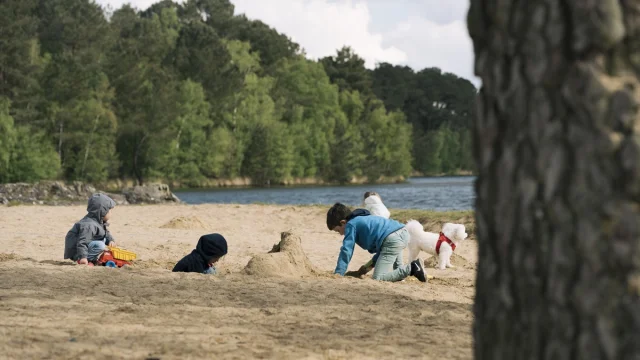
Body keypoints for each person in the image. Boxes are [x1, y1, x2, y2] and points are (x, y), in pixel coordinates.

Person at [326, 203, 426, 282]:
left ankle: (413, 267)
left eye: (338, 230)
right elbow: (382, 251)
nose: (340, 234)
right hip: (401, 232)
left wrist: (339, 273)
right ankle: (407, 272)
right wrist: (365, 269)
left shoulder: (350, 225)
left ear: (343, 222)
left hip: (392, 239)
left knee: (378, 277)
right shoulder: (361, 218)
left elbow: (347, 250)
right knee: (398, 271)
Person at [64, 193, 117, 265]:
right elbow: (82, 242)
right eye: (110, 211)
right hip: (77, 251)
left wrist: (110, 240)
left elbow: (105, 233)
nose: (111, 214)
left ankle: (91, 258)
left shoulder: (98, 221)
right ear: (102, 211)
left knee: (103, 240)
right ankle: (85, 259)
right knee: (100, 245)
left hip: (87, 245)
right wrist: (83, 257)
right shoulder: (89, 225)